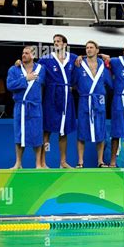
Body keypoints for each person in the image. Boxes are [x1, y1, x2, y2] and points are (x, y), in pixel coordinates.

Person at [37, 34, 77, 169]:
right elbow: (33, 68)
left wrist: (104, 57)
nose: (56, 43)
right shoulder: (46, 59)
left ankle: (63, 161)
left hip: (66, 98)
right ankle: (43, 161)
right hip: (51, 97)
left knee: (64, 131)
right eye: (54, 42)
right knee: (47, 130)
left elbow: (89, 62)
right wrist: (19, 63)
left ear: (65, 44)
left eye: (58, 41)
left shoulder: (74, 58)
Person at [72, 41, 112, 168]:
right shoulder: (79, 64)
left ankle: (100, 161)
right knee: (82, 131)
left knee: (101, 131)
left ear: (97, 50)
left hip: (99, 101)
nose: (88, 50)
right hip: (85, 100)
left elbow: (110, 84)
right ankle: (80, 162)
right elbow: (73, 82)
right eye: (86, 48)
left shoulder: (104, 66)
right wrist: (81, 92)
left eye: (91, 48)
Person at [6, 46, 46, 169]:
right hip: (20, 106)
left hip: (35, 106)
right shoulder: (14, 69)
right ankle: (18, 163)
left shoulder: (41, 69)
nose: (24, 55)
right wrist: (25, 79)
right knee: (19, 135)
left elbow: (42, 84)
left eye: (27, 53)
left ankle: (38, 164)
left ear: (33, 56)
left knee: (37, 135)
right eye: (23, 53)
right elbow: (10, 85)